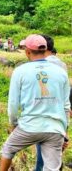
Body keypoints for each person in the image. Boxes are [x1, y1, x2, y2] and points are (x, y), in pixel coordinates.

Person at [0, 34, 70, 171]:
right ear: (46, 50)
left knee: (7, 150)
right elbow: (66, 105)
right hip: (55, 129)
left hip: (29, 126)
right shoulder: (61, 71)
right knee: (51, 168)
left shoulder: (20, 71)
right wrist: (64, 131)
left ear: (27, 51)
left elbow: (13, 104)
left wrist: (14, 123)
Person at [34, 34, 68, 171]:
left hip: (45, 116)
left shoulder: (41, 65)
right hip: (60, 115)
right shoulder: (62, 64)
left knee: (42, 158)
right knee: (54, 154)